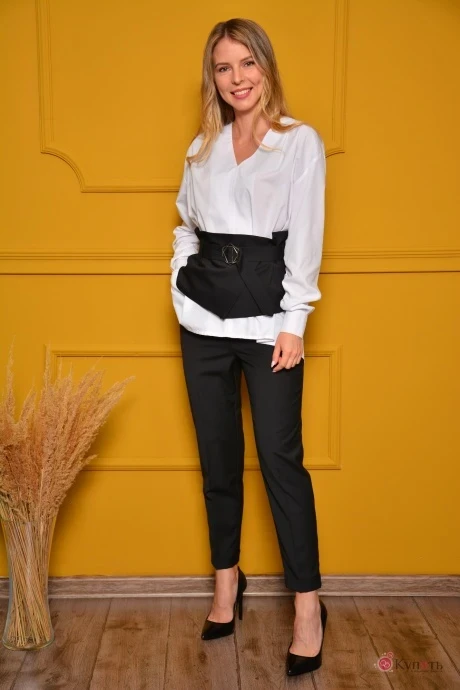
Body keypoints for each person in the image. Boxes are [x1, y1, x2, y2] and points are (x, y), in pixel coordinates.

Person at [170, 18, 328, 677]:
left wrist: (295, 321)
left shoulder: (298, 142)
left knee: (280, 460)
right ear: (213, 77)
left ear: (266, 66)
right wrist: (180, 285)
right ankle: (226, 583)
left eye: (246, 64)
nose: (236, 78)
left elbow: (306, 236)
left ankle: (308, 607)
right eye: (223, 67)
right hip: (203, 325)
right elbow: (186, 224)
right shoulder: (201, 147)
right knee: (218, 460)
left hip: (269, 328)